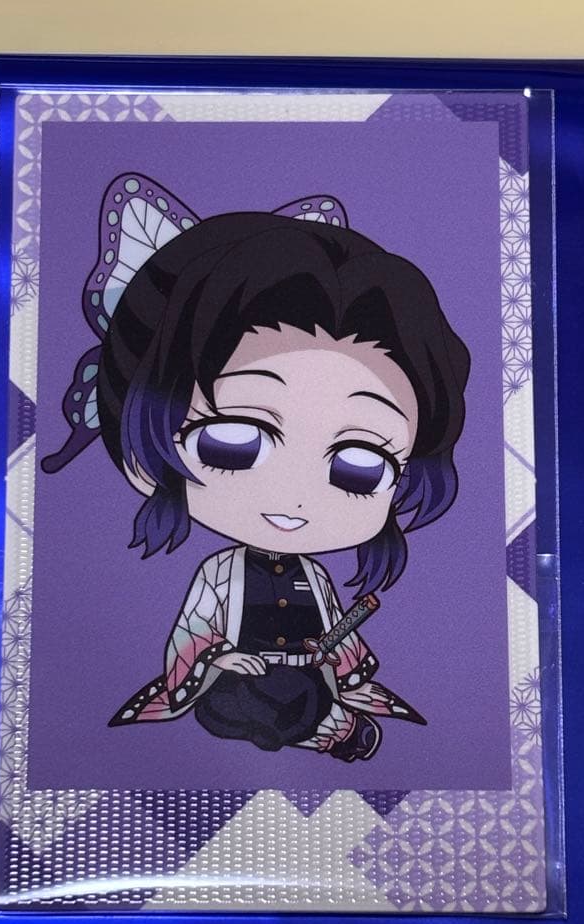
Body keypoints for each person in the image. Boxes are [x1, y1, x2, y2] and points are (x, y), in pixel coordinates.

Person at [43, 176, 470, 762]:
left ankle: (325, 725)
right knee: (227, 706)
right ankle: (325, 731)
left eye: (360, 466)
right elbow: (194, 632)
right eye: (233, 442)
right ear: (145, 449)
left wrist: (334, 660)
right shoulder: (219, 574)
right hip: (236, 679)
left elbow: (340, 639)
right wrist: (222, 658)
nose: (295, 496)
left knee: (302, 696)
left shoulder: (316, 578)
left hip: (305, 678)